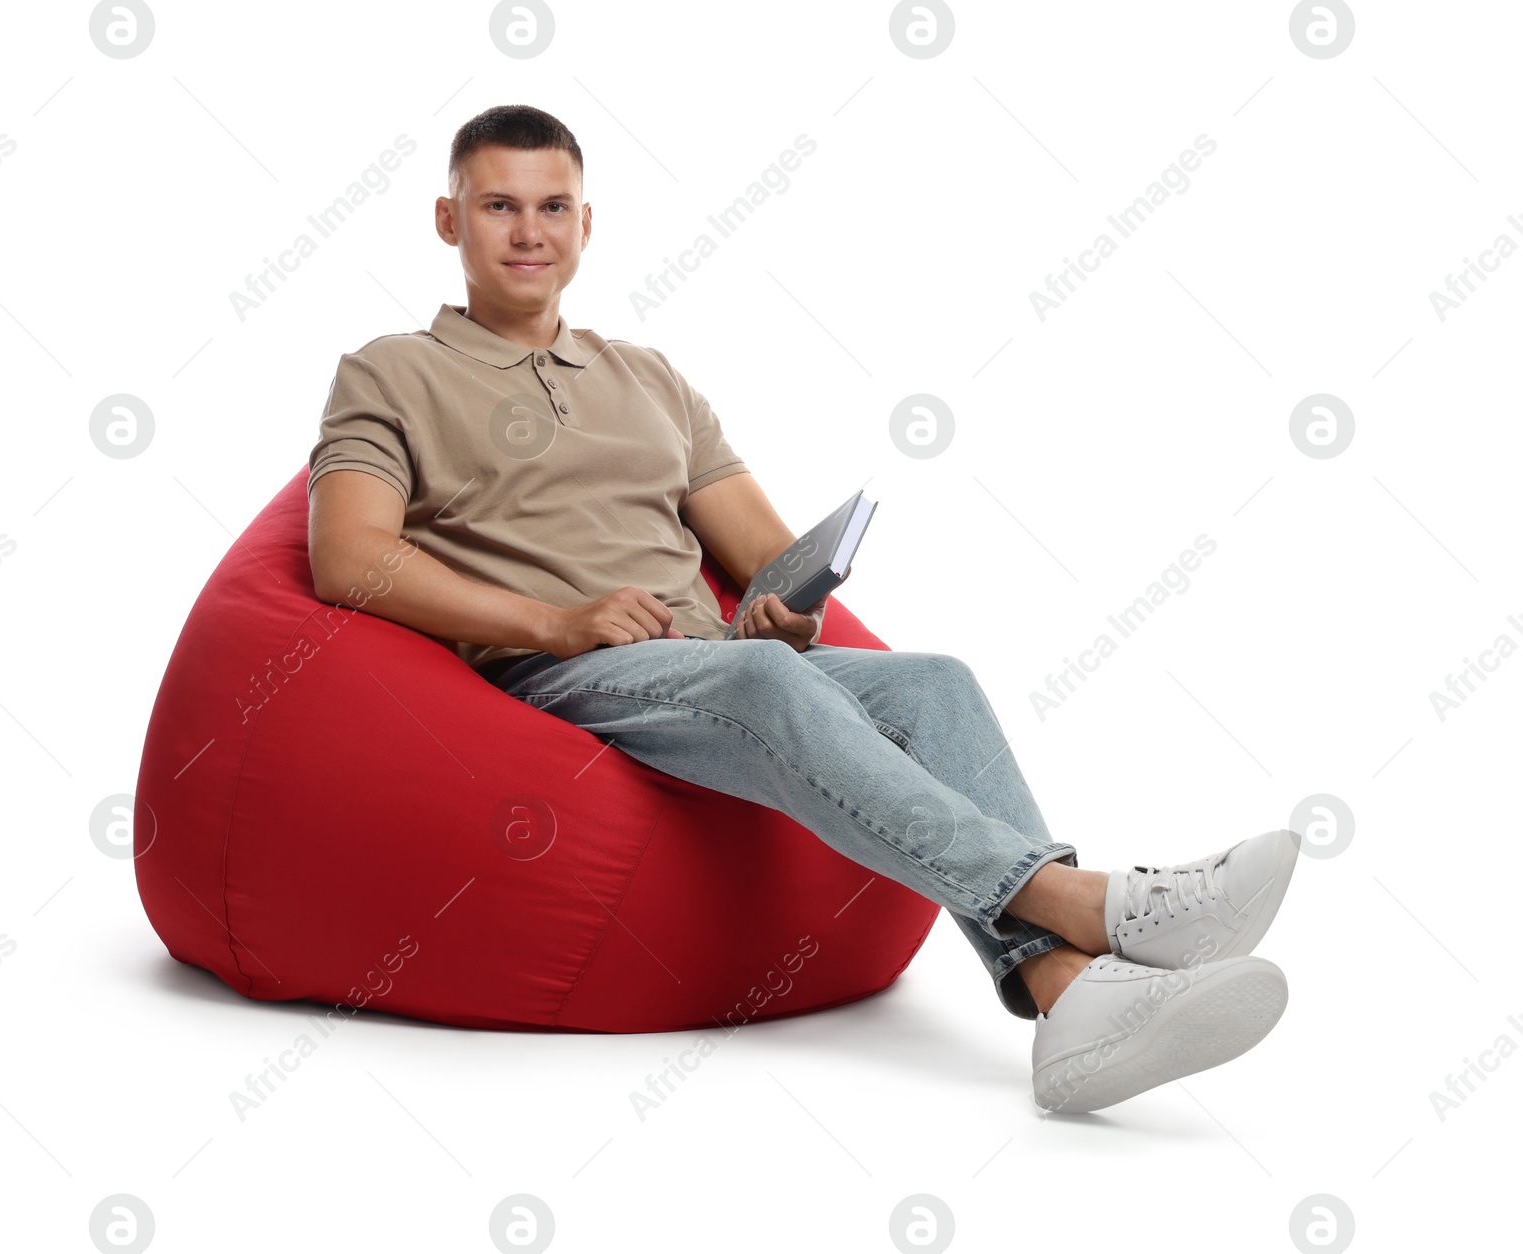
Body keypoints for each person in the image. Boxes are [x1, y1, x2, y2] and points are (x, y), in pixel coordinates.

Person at [305, 104, 1299, 1114]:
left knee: (934, 684)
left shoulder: (649, 379)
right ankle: (1093, 903)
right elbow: (346, 558)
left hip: (711, 663)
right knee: (758, 675)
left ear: (586, 224)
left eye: (552, 206)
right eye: (498, 206)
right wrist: (558, 623)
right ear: (448, 219)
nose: (528, 233)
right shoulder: (390, 373)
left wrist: (787, 608)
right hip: (558, 672)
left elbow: (761, 557)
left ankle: (1069, 996)